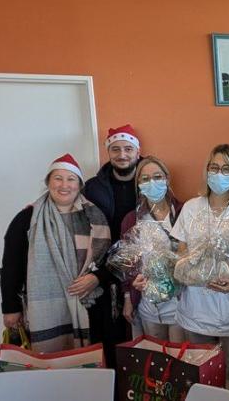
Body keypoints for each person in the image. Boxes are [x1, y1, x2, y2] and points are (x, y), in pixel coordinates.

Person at [0, 154, 111, 352]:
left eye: (71, 179)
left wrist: (96, 278)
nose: (64, 185)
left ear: (79, 184)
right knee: (51, 370)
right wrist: (10, 307)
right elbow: (11, 266)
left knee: (91, 369)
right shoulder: (27, 219)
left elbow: (110, 259)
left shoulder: (94, 216)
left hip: (91, 306)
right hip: (44, 310)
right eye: (58, 178)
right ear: (48, 182)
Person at [170, 144, 229, 389]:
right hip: (195, 305)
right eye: (214, 167)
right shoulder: (191, 207)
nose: (219, 174)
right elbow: (182, 251)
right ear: (206, 171)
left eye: (226, 169)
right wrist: (189, 269)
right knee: (199, 373)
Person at [83, 124, 140, 366]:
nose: (122, 154)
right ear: (108, 152)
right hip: (104, 271)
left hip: (139, 269)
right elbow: (70, 206)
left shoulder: (150, 178)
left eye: (128, 148)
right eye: (115, 149)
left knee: (138, 336)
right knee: (109, 336)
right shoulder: (94, 186)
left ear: (138, 151)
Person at [120, 156, 186, 342]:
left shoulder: (184, 212)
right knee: (154, 361)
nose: (152, 183)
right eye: (145, 179)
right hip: (149, 306)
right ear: (138, 184)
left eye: (157, 177)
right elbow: (127, 264)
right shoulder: (132, 220)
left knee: (180, 360)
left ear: (167, 179)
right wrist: (129, 295)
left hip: (181, 304)